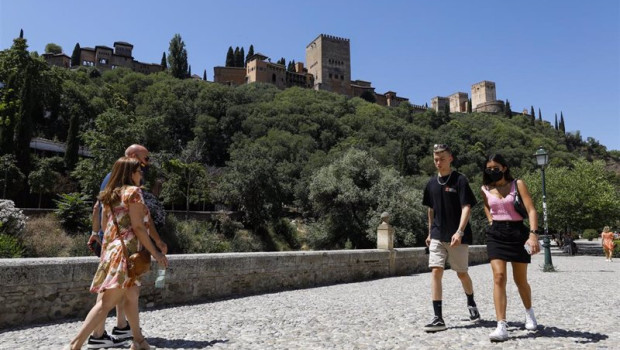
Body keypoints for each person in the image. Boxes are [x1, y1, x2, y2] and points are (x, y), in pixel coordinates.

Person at [68, 157, 169, 350]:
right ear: (131, 173)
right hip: (127, 254)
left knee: (131, 296)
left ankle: (138, 341)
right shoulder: (134, 193)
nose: (142, 174)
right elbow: (139, 227)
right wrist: (156, 253)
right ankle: (75, 345)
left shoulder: (110, 195)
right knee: (106, 303)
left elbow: (106, 228)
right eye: (139, 171)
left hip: (113, 250)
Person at [480, 154, 541, 342]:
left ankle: (529, 312)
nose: (492, 171)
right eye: (489, 168)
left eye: (496, 167)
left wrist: (533, 235)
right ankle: (501, 325)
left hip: (517, 233)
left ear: (504, 167)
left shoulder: (518, 184)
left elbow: (531, 209)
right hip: (496, 235)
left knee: (520, 279)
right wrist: (491, 221)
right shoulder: (485, 188)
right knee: (499, 277)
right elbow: (486, 205)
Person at [422, 144, 480, 332]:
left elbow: (467, 207)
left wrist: (460, 231)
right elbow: (431, 210)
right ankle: (438, 317)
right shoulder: (431, 184)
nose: (438, 162)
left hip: (457, 235)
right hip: (438, 234)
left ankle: (470, 300)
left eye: (442, 159)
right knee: (436, 271)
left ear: (450, 159)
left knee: (461, 273)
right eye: (436, 159)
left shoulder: (459, 180)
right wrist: (430, 232)